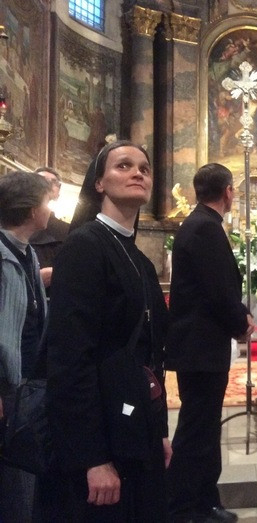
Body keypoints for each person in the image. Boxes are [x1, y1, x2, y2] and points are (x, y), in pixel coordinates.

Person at [45, 140, 171, 521]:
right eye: (123, 166)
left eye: (144, 169)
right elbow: (70, 358)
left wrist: (160, 430)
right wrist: (92, 458)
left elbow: (151, 354)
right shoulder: (84, 247)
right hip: (103, 438)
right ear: (98, 183)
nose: (137, 173)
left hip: (136, 428)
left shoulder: (139, 259)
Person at [166, 163, 255, 523]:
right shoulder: (205, 227)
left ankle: (203, 501)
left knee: (202, 426)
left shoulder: (199, 223)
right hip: (200, 346)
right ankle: (183, 507)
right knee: (197, 429)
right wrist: (240, 323)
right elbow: (218, 290)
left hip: (199, 344)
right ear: (228, 192)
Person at [0, 171, 51, 522]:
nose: (51, 210)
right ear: (33, 210)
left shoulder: (27, 252)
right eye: (47, 202)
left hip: (26, 384)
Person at [29, 167, 70, 290]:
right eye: (42, 179)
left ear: (58, 192)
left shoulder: (68, 230)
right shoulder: (14, 224)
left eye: (54, 182)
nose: (48, 184)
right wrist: (35, 279)